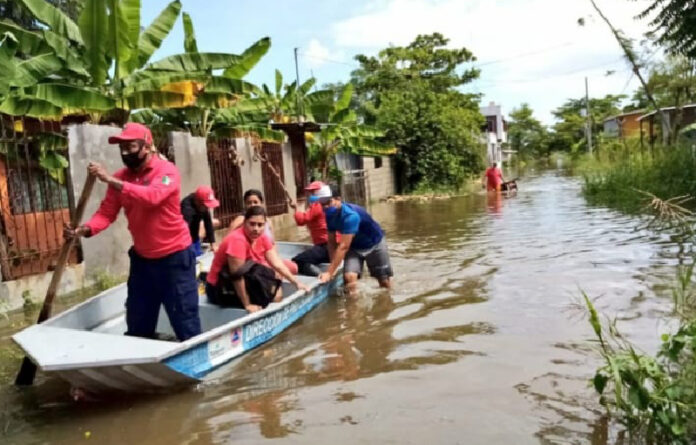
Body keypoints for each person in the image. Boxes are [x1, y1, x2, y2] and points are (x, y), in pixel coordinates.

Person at [64, 122, 201, 341]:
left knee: (185, 321)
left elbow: (152, 196)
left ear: (147, 146)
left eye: (131, 147)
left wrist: (110, 179)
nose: (125, 152)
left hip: (175, 259)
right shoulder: (121, 177)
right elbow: (107, 213)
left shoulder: (167, 172)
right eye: (122, 148)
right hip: (143, 262)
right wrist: (84, 229)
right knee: (137, 325)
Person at [205, 206, 309, 313]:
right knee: (265, 297)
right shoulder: (237, 240)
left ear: (265, 225)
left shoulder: (262, 236)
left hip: (242, 277)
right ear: (244, 222)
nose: (256, 229)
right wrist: (247, 304)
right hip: (219, 287)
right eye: (252, 224)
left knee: (276, 291)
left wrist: (296, 283)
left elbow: (277, 263)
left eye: (260, 225)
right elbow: (236, 276)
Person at [318, 185, 393, 296]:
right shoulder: (329, 214)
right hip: (354, 246)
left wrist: (329, 273)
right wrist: (332, 268)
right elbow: (331, 242)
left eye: (328, 202)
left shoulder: (350, 216)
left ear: (338, 199)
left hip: (374, 244)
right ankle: (354, 309)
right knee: (349, 278)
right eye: (322, 204)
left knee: (383, 281)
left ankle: (387, 300)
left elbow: (343, 247)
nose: (325, 207)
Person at [229, 189, 298, 274]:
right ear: (245, 205)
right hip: (252, 262)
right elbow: (228, 240)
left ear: (261, 204)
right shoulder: (241, 220)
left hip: (268, 258)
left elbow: (272, 243)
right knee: (275, 272)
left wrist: (276, 259)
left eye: (255, 202)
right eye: (249, 203)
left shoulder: (267, 221)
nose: (252, 205)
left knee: (294, 267)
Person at [288, 181, 332, 276]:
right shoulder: (329, 205)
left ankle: (320, 275)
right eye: (310, 192)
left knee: (297, 261)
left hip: (325, 247)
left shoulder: (317, 205)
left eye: (313, 192)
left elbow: (301, 220)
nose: (310, 195)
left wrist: (296, 208)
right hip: (331, 246)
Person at [181, 185, 221, 256]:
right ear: (197, 202)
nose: (207, 208)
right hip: (185, 240)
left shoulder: (202, 205)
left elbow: (208, 223)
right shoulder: (187, 210)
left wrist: (213, 244)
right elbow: (184, 231)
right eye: (206, 206)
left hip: (195, 237)